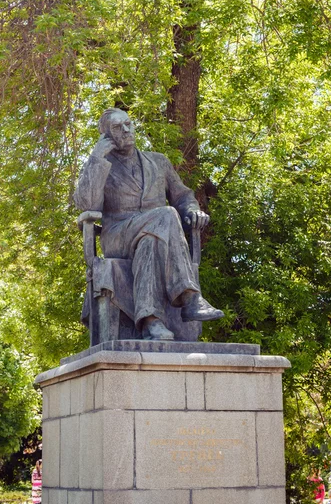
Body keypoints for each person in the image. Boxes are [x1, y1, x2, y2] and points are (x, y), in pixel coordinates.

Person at [74, 109, 224, 341]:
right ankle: (190, 298)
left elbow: (183, 196)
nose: (126, 130)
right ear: (105, 135)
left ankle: (151, 323)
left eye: (128, 124)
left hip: (155, 233)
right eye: (117, 127)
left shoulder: (158, 161)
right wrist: (96, 159)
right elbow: (86, 204)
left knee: (151, 241)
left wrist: (193, 210)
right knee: (164, 215)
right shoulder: (100, 165)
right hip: (118, 235)